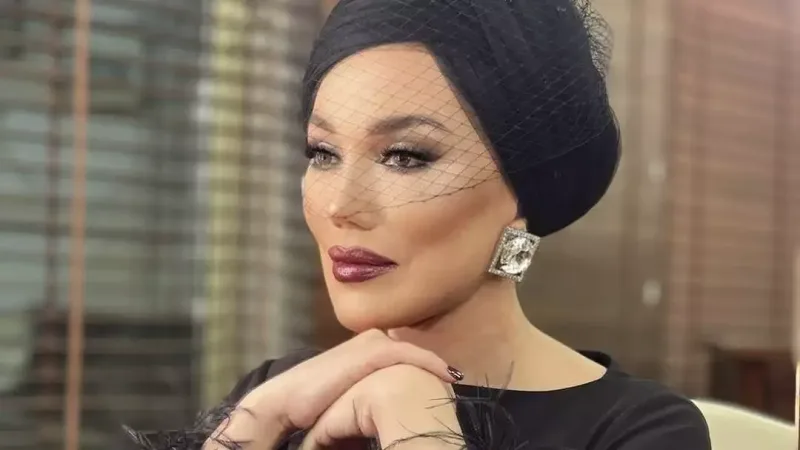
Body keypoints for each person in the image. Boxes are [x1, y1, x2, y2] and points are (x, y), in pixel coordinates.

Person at [127, 0, 711, 449]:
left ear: (525, 187)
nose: (341, 206)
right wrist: (262, 419)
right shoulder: (281, 388)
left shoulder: (635, 430)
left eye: (405, 156)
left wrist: (417, 428)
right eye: (323, 153)